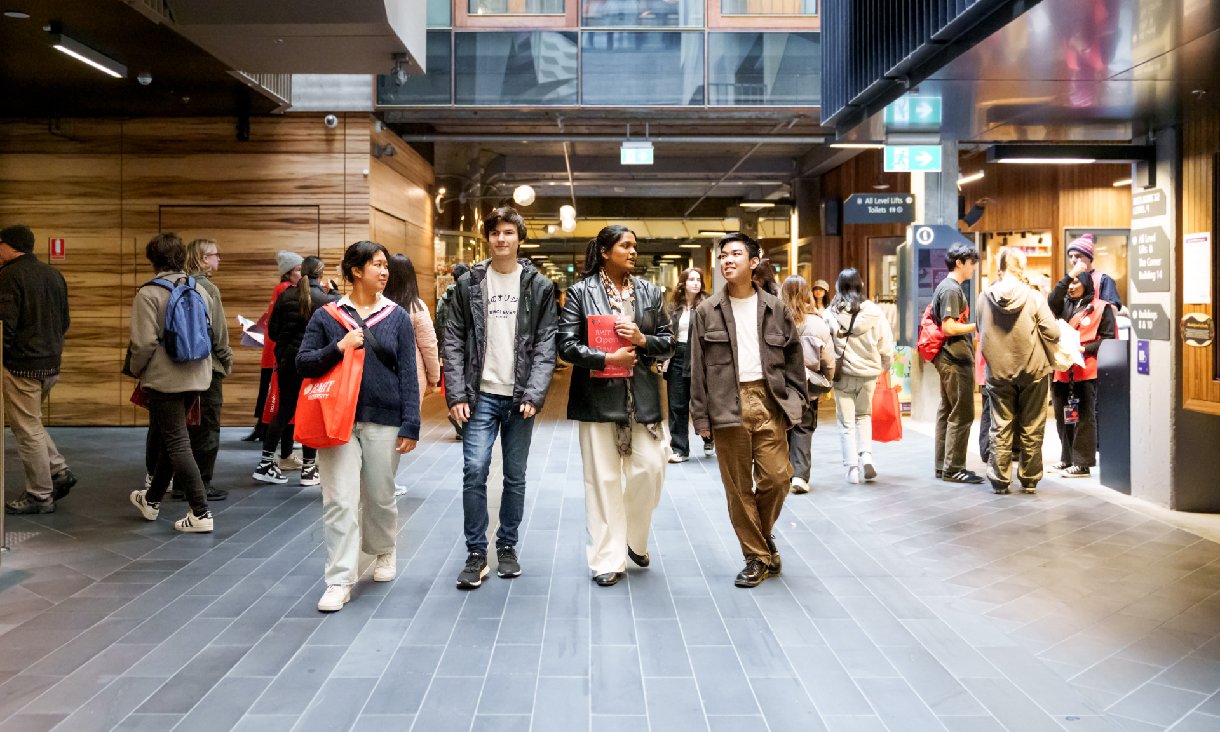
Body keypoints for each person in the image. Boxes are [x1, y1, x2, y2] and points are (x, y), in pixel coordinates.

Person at [296, 241, 420, 612]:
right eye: (377, 265)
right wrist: (340, 346)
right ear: (355, 271)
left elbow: (408, 375)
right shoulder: (327, 316)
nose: (385, 272)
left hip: (385, 418)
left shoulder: (396, 316)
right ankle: (339, 579)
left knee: (380, 497)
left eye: (386, 266)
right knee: (339, 501)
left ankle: (383, 550)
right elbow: (303, 363)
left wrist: (411, 423)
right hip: (337, 421)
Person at [443, 207, 557, 590]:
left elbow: (546, 343)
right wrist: (456, 392)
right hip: (479, 396)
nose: (502, 239)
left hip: (520, 396)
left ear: (519, 238)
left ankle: (507, 545)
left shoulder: (537, 285)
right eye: (495, 233)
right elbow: (454, 338)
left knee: (515, 475)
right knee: (474, 471)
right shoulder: (470, 283)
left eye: (509, 232)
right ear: (487, 238)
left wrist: (535, 393)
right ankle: (476, 553)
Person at [559, 226, 674, 587]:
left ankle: (633, 538)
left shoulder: (650, 293)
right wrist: (607, 357)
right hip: (597, 399)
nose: (633, 251)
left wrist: (642, 340)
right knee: (603, 479)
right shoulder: (580, 293)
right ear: (606, 252)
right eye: (625, 245)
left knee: (650, 469)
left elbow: (669, 342)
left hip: (642, 397)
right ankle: (607, 558)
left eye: (635, 246)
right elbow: (565, 345)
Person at [690, 232, 805, 588]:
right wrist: (700, 417)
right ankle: (756, 556)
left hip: (769, 401)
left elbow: (794, 361)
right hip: (727, 404)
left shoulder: (776, 308)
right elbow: (696, 368)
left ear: (753, 262)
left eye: (735, 254)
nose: (727, 260)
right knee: (738, 488)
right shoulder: (705, 311)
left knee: (777, 477)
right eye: (723, 255)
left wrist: (796, 404)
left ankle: (762, 538)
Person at [127, 233, 229, 533]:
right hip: (198, 375)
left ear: (153, 260)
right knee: (175, 438)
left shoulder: (148, 293)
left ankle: (200, 512)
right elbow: (213, 333)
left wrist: (135, 370)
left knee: (176, 442)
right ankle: (152, 500)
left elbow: (143, 344)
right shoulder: (200, 288)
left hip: (164, 378)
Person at [0, 224, 76, 514]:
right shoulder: (53, 275)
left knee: (26, 429)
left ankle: (40, 495)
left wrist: (2, 356)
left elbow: (4, 325)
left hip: (22, 366)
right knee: (31, 421)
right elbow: (65, 321)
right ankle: (58, 470)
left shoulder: (9, 276)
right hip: (51, 365)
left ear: (11, 246)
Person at [980, 247, 1060, 495]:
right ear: (1021, 268)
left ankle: (1000, 480)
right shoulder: (1034, 297)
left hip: (998, 373)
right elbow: (1054, 333)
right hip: (1033, 371)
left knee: (1000, 425)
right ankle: (1029, 479)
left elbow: (980, 330)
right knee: (1032, 425)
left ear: (1000, 268)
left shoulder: (984, 297)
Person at [254, 256, 339, 486]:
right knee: (310, 411)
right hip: (312, 362)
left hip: (287, 361)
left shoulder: (285, 295)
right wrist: (335, 292)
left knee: (284, 410)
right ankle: (309, 470)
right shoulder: (325, 299)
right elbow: (341, 318)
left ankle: (265, 463)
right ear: (320, 274)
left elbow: (272, 332)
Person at [824, 268, 894, 484]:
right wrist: (885, 366)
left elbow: (826, 346)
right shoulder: (874, 312)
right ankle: (866, 457)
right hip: (868, 375)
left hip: (843, 374)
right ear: (860, 285)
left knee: (846, 423)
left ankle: (852, 469)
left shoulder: (830, 314)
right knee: (864, 416)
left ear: (838, 287)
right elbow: (886, 343)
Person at [1048, 269, 1115, 479]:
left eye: (1076, 282)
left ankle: (1082, 463)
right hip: (1062, 368)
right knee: (1063, 416)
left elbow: (1108, 338)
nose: (1071, 286)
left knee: (1084, 417)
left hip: (1086, 369)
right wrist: (1067, 276)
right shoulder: (1063, 304)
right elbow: (1052, 297)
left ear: (1086, 283)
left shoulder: (1102, 308)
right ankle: (1067, 459)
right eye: (1069, 282)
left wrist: (1085, 349)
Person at [386, 252, 441, 496]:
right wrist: (434, 376)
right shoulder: (415, 306)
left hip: (380, 376)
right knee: (398, 433)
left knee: (381, 429)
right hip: (409, 377)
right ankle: (386, 482)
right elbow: (428, 345)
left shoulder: (379, 303)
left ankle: (379, 480)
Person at [183, 238, 233, 500]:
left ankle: (181, 483)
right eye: (215, 255)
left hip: (181, 367)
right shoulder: (209, 288)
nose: (218, 259)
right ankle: (202, 483)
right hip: (207, 368)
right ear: (203, 259)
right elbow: (219, 333)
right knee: (208, 426)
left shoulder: (176, 284)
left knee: (184, 428)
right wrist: (226, 361)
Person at [931, 244, 985, 484]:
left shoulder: (949, 288)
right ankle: (954, 468)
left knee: (948, 412)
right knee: (962, 413)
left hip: (949, 358)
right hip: (954, 358)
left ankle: (944, 467)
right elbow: (949, 327)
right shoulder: (951, 290)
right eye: (972, 262)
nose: (974, 267)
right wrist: (978, 325)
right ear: (960, 262)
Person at [780, 275, 834, 494]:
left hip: (780, 385)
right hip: (807, 385)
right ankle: (800, 477)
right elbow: (828, 359)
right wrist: (827, 378)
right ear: (807, 295)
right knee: (803, 428)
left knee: (781, 429)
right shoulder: (817, 323)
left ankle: (782, 473)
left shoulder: (773, 321)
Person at [246, 250, 303, 449]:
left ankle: (263, 429)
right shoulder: (287, 289)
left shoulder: (280, 288)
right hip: (280, 350)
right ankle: (282, 439)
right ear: (288, 273)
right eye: (298, 270)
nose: (301, 274)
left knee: (271, 392)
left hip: (272, 350)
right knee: (283, 397)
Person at [665, 267, 710, 463]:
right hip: (677, 356)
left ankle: (709, 436)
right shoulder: (673, 307)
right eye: (691, 279)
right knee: (677, 405)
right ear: (683, 283)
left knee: (703, 402)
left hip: (699, 357)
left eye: (698, 280)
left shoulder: (706, 305)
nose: (696, 283)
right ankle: (680, 449)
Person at [435, 262, 470, 440]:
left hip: (449, 348)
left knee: (453, 383)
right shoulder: (469, 294)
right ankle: (461, 420)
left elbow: (439, 324)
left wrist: (442, 348)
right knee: (469, 383)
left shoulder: (444, 298)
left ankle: (459, 417)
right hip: (468, 348)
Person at [1066, 234, 1122, 307]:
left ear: (1089, 258)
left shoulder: (1103, 280)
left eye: (1078, 256)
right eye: (1070, 256)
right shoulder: (1069, 279)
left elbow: (1112, 309)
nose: (1073, 260)